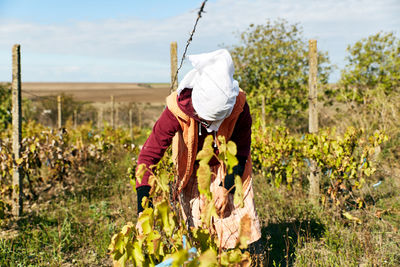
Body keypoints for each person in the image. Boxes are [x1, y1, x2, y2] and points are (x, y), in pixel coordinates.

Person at [135, 49, 261, 249]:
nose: (212, 125)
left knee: (238, 232)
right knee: (196, 232)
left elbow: (241, 151)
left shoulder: (240, 108)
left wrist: (225, 186)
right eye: (207, 119)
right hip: (191, 169)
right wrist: (144, 207)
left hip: (228, 167)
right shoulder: (176, 110)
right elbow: (149, 155)